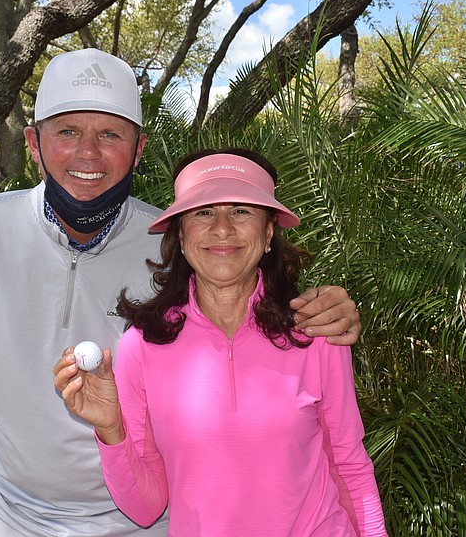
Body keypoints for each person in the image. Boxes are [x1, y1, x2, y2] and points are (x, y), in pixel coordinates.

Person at [0, 48, 362, 536]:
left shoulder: (175, 245)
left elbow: (247, 302)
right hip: (13, 517)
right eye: (67, 131)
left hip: (151, 522)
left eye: (111, 134)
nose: (89, 153)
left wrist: (330, 307)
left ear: (139, 148)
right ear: (33, 142)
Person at [54, 149, 388, 536]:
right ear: (181, 236)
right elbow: (145, 509)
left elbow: (348, 464)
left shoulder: (315, 330)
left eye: (241, 211)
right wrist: (111, 429)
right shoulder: (141, 346)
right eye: (203, 212)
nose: (223, 228)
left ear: (268, 233)